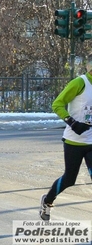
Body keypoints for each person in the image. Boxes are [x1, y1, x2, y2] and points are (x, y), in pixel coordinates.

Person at [39, 53, 92, 221]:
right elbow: (57, 104)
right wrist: (72, 122)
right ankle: (47, 201)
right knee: (70, 179)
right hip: (73, 141)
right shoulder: (79, 83)